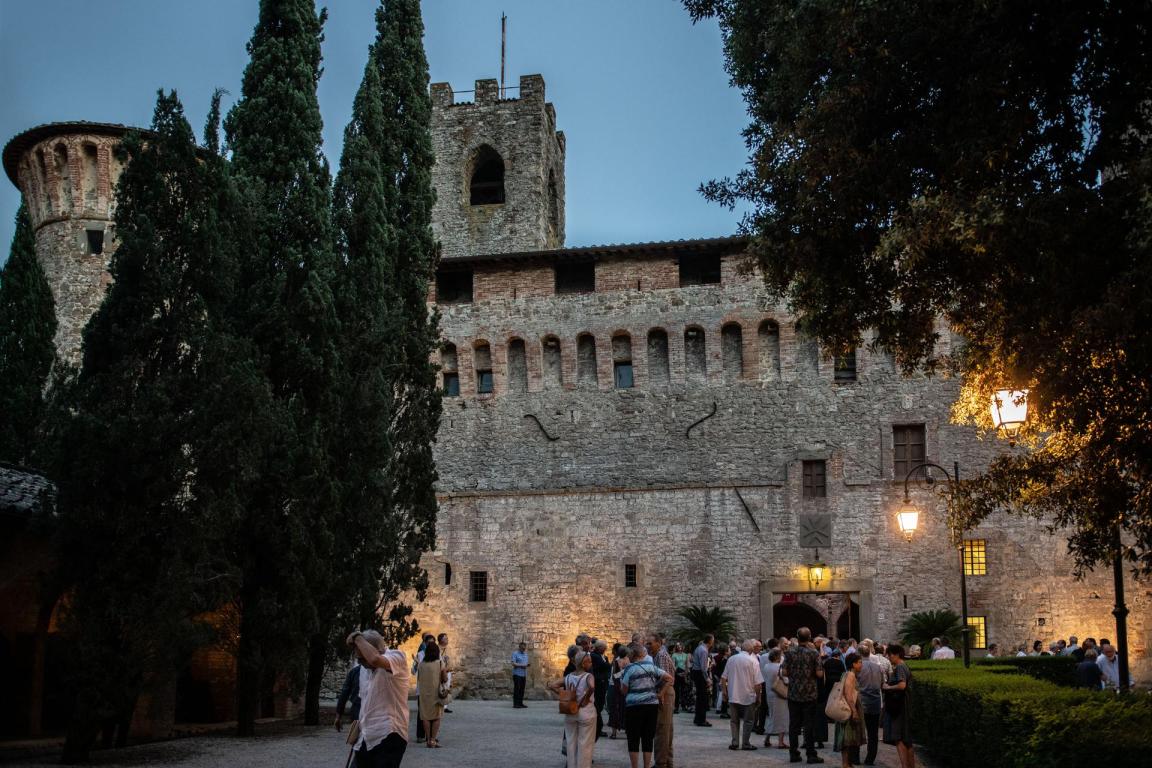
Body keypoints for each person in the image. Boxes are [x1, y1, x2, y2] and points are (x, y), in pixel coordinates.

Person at [346, 630, 410, 768]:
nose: (360, 662)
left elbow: (374, 659)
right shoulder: (363, 669)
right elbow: (364, 701)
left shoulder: (397, 657)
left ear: (376, 650)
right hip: (366, 734)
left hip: (390, 734)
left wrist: (357, 637)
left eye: (362, 658)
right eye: (358, 659)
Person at [619, 642, 673, 768]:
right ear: (642, 654)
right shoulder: (651, 666)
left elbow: (624, 690)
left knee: (633, 738)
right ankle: (647, 766)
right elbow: (670, 678)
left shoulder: (629, 669)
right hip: (651, 706)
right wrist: (660, 693)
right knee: (648, 738)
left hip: (634, 707)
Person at [782, 626, 824, 764]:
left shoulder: (789, 652)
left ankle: (793, 754)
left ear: (797, 637)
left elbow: (784, 672)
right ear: (810, 637)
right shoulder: (814, 653)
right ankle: (811, 754)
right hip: (809, 694)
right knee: (809, 725)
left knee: (793, 725)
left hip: (794, 693)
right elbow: (819, 674)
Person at [550, 650, 597, 768]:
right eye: (589, 662)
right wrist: (586, 698)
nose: (591, 664)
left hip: (570, 711)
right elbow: (592, 686)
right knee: (585, 744)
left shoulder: (568, 677)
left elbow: (552, 685)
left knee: (571, 743)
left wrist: (563, 694)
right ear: (583, 663)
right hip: (586, 712)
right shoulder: (588, 676)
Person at [721, 638, 763, 751]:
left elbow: (723, 678)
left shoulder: (731, 659)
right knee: (748, 721)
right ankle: (745, 743)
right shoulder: (753, 661)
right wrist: (759, 697)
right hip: (748, 696)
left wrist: (725, 692)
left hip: (733, 694)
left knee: (734, 721)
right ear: (751, 650)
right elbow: (758, 683)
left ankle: (735, 742)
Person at [882, 643, 914, 768]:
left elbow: (902, 685)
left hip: (899, 706)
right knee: (907, 739)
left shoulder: (900, 667)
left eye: (889, 655)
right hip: (903, 705)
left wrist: (888, 687)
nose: (889, 658)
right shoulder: (904, 666)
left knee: (899, 738)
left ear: (895, 655)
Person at [647, 633, 676, 768]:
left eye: (650, 643)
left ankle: (661, 762)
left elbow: (667, 678)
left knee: (662, 729)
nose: (648, 646)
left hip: (664, 693)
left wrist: (660, 694)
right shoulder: (658, 655)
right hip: (665, 693)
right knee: (666, 728)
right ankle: (667, 761)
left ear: (658, 643)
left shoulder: (661, 656)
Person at [834, 653, 864, 768]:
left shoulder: (846, 674)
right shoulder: (850, 675)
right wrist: (854, 711)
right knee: (848, 737)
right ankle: (846, 764)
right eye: (859, 662)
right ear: (853, 664)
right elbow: (848, 694)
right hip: (849, 710)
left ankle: (848, 763)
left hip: (848, 708)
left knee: (849, 737)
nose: (861, 665)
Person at [856, 641, 883, 766]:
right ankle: (870, 759)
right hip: (876, 702)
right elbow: (882, 683)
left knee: (858, 730)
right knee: (873, 733)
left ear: (859, 654)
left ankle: (855, 757)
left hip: (862, 702)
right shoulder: (878, 667)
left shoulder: (859, 668)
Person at [417, 639, 447, 748]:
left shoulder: (421, 664)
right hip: (436, 692)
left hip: (424, 693)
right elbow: (444, 678)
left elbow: (419, 678)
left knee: (425, 716)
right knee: (436, 716)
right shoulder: (439, 663)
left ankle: (428, 739)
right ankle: (433, 740)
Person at [762, 648, 789, 750]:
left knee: (772, 716)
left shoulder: (766, 666)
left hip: (769, 693)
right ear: (778, 656)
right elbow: (786, 680)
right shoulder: (780, 667)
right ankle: (780, 742)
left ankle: (767, 738)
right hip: (779, 694)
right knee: (781, 717)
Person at [692, 634, 714, 727]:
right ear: (710, 641)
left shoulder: (699, 648)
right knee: (703, 698)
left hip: (696, 673)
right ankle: (701, 720)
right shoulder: (704, 650)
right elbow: (703, 668)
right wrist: (707, 679)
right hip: (700, 674)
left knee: (700, 697)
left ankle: (698, 718)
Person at [334, 660, 362, 733]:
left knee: (357, 739)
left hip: (357, 710)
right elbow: (344, 694)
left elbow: (344, 694)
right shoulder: (381, 671)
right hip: (362, 711)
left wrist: (338, 716)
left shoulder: (355, 672)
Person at [592, 639, 612, 738]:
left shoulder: (603, 656)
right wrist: (611, 665)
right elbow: (604, 666)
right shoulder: (594, 656)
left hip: (603, 683)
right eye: (603, 648)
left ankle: (597, 728)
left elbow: (606, 667)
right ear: (599, 648)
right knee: (598, 706)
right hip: (598, 683)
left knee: (599, 706)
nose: (605, 650)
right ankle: (597, 729)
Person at [609, 643, 629, 739]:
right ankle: (614, 732)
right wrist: (624, 672)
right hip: (619, 688)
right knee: (616, 709)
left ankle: (623, 731)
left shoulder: (628, 661)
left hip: (623, 688)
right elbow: (615, 676)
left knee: (623, 709)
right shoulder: (617, 662)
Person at [672, 642, 689, 714]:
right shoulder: (674, 655)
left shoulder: (685, 655)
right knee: (677, 691)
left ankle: (684, 705)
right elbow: (673, 665)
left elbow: (687, 665)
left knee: (684, 691)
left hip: (684, 673)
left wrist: (685, 673)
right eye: (678, 646)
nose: (679, 647)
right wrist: (677, 673)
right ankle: (676, 707)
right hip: (677, 673)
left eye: (680, 645)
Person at [511, 642, 530, 708]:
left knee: (522, 689)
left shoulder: (526, 655)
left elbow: (525, 664)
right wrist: (522, 665)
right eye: (522, 648)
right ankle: (515, 704)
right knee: (517, 689)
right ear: (519, 647)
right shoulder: (515, 653)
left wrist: (527, 665)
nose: (523, 649)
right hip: (517, 674)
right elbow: (513, 664)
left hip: (523, 674)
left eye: (524, 648)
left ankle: (520, 703)